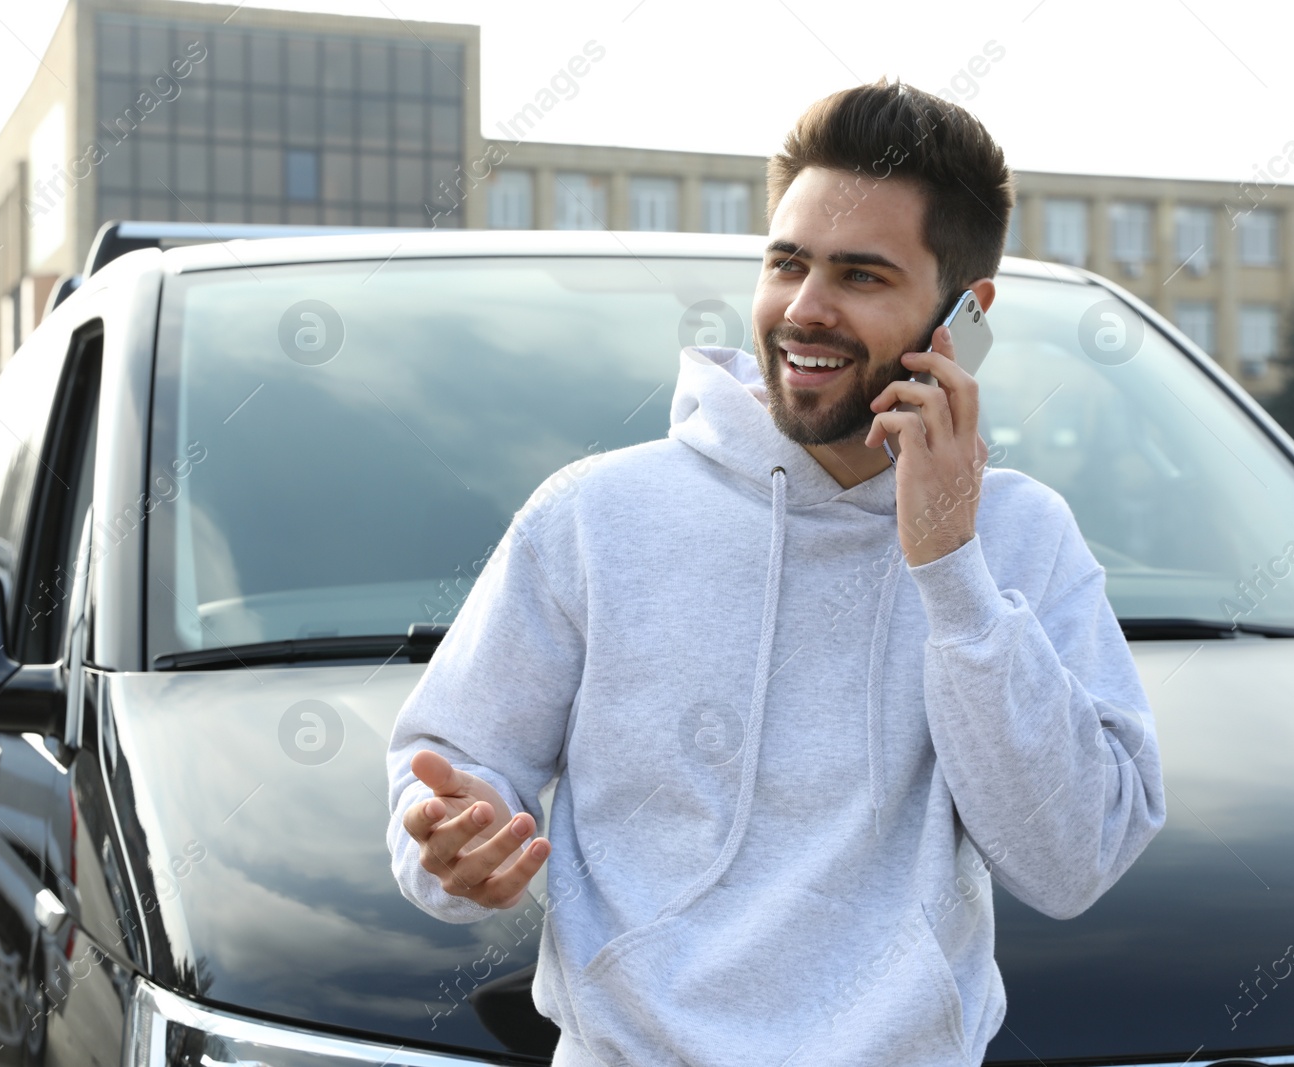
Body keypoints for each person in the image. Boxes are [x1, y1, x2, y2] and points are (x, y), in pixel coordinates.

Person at [384, 78, 1165, 1067]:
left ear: (965, 314)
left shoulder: (1023, 538)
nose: (803, 309)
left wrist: (952, 571)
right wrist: (450, 843)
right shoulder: (594, 514)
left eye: (861, 276)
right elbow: (451, 769)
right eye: (786, 263)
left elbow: (1073, 861)